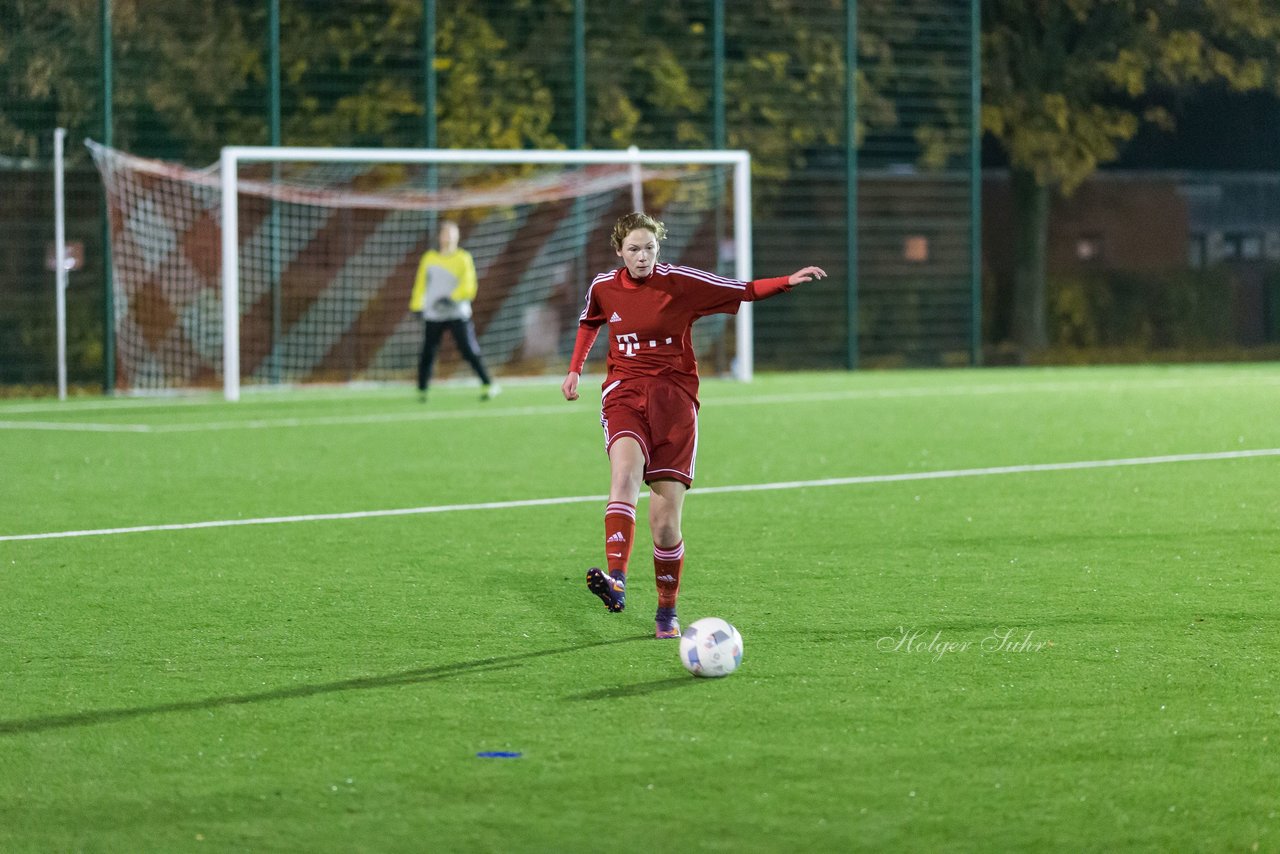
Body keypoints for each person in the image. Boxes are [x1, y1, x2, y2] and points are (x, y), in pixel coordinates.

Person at [561, 211, 825, 639]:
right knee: (624, 475)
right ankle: (618, 581)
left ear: (658, 248)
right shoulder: (604, 287)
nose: (642, 256)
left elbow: (741, 289)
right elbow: (590, 321)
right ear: (619, 251)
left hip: (675, 404)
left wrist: (786, 282)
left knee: (665, 526)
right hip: (625, 394)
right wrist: (574, 369)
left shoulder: (680, 282)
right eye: (634, 249)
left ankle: (666, 612)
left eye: (649, 248)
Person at [408, 219, 500, 401]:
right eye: (445, 233)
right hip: (434, 314)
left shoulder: (463, 258)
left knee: (469, 349)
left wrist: (452, 298)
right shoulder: (429, 258)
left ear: (457, 236)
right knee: (428, 351)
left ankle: (488, 383)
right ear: (439, 237)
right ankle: (422, 389)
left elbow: (469, 284)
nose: (449, 237)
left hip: (457, 313)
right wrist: (417, 305)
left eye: (452, 233)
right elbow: (420, 284)